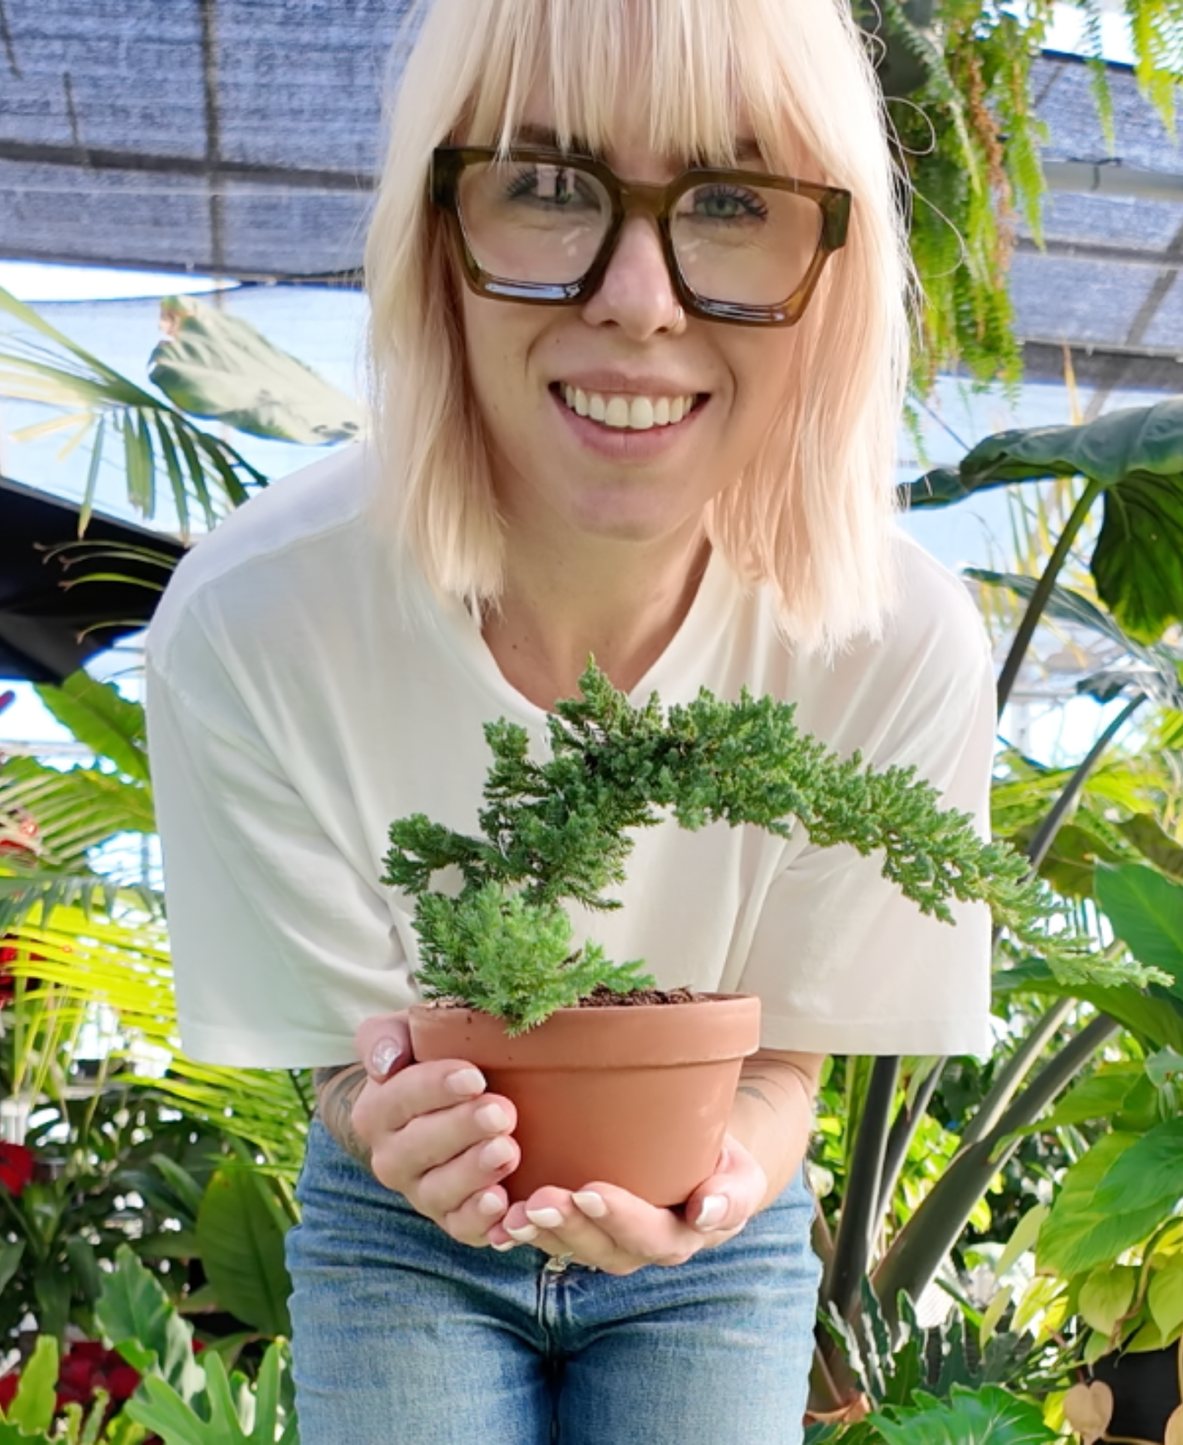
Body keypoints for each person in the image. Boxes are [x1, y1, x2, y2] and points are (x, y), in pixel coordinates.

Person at [145, 0, 996, 1438]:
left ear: (833, 260)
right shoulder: (255, 624)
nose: (640, 299)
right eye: (547, 186)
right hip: (402, 1222)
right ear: (434, 231)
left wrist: (729, 1153)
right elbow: (358, 1062)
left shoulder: (888, 640)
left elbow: (783, 1058)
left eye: (728, 201)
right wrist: (389, 1109)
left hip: (712, 1239)